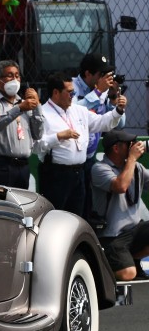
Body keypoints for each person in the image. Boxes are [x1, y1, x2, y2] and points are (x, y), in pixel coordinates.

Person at [35, 72, 127, 216]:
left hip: (79, 173)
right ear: (55, 92)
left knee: (77, 217)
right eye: (69, 92)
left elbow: (102, 123)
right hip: (55, 174)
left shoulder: (78, 110)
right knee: (54, 217)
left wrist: (118, 111)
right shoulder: (43, 113)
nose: (73, 96)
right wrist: (58, 136)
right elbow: (36, 145)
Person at [90, 130, 149, 281]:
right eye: (129, 144)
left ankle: (132, 257)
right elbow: (120, 186)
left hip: (135, 229)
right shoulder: (100, 169)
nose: (133, 146)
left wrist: (132, 161)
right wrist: (132, 159)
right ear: (116, 148)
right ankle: (99, 269)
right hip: (112, 235)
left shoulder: (136, 167)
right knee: (127, 274)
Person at [0, 60, 44, 189]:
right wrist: (19, 109)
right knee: (1, 206)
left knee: (20, 206)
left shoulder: (24, 103)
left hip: (23, 166)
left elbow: (38, 134)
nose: (15, 79)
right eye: (10, 75)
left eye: (17, 76)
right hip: (0, 166)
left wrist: (37, 105)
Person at [73, 54, 126, 219]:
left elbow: (120, 123)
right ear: (88, 74)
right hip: (73, 161)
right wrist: (97, 92)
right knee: (75, 209)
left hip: (90, 158)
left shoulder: (103, 90)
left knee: (90, 205)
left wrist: (113, 96)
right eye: (100, 74)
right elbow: (73, 111)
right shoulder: (72, 87)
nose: (104, 79)